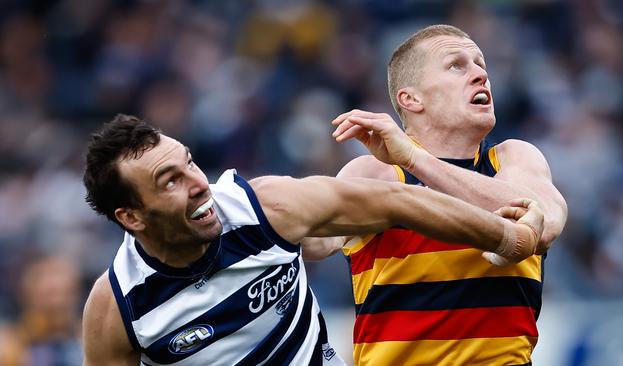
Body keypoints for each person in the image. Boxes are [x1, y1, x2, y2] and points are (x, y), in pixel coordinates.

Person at [81, 114, 543, 365]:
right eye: (169, 181)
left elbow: (394, 202)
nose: (198, 183)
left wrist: (509, 238)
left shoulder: (263, 208)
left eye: (189, 163)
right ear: (131, 216)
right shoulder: (117, 306)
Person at [304, 24, 569, 365]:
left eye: (480, 65)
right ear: (411, 99)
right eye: (457, 65)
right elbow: (310, 241)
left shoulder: (514, 158)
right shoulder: (379, 175)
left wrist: (417, 159)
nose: (480, 75)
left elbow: (541, 223)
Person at [0, 255, 83, 366]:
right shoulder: (12, 345)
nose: (57, 303)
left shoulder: (87, 337)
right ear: (27, 296)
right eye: (49, 294)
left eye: (66, 294)